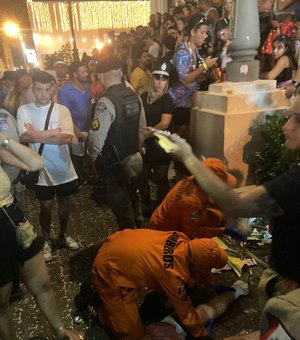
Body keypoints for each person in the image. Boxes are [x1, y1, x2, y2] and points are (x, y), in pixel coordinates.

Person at [153, 93, 300, 339]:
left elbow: (226, 206)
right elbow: (198, 230)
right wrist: (223, 231)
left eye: (295, 119)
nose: (286, 127)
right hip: (166, 239)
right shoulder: (189, 200)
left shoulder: (294, 183)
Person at [92, 228, 249, 340]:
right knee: (131, 334)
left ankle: (239, 290)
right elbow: (186, 312)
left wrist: (207, 282)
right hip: (109, 270)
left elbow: (198, 266)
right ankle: (102, 308)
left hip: (119, 245)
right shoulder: (171, 273)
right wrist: (201, 334)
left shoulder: (182, 239)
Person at [0, 132, 82, 340]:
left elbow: (36, 162)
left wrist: (4, 140)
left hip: (13, 218)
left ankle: (61, 331)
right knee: (2, 303)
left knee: (42, 283)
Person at [17, 71, 79, 262]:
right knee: (45, 207)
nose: (43, 94)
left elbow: (67, 138)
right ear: (33, 90)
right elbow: (24, 136)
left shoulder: (61, 110)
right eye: (38, 90)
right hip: (41, 169)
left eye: (46, 89)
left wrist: (36, 133)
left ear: (52, 88)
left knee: (64, 204)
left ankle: (62, 235)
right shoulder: (24, 109)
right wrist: (54, 131)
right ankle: (45, 240)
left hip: (63, 168)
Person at [88, 57, 146, 230]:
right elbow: (142, 127)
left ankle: (130, 240)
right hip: (135, 157)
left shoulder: (106, 102)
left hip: (115, 164)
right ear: (121, 73)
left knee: (121, 206)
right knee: (134, 195)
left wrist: (91, 158)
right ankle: (139, 224)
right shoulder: (134, 95)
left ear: (101, 76)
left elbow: (96, 139)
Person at [149, 158, 246, 239]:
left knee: (218, 216)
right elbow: (193, 233)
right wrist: (224, 231)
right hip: (164, 233)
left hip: (167, 219)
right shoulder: (191, 203)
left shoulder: (193, 180)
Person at [168, 13, 218, 139]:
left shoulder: (195, 51)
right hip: (178, 103)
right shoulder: (183, 53)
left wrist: (209, 75)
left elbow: (195, 75)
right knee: (179, 138)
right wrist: (205, 66)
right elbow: (185, 79)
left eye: (206, 33)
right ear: (192, 32)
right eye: (202, 32)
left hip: (188, 101)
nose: (205, 36)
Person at [139, 63, 174, 211]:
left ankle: (163, 209)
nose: (160, 82)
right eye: (157, 79)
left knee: (161, 178)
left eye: (164, 79)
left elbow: (164, 123)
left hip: (160, 144)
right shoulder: (143, 96)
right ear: (152, 79)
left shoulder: (167, 100)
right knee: (141, 176)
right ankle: (146, 205)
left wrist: (144, 135)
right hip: (145, 144)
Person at [58, 61, 92, 186]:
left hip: (89, 127)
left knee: (87, 153)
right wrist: (76, 131)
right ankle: (77, 178)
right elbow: (65, 114)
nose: (86, 74)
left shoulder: (87, 86)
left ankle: (85, 173)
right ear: (74, 74)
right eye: (82, 72)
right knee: (77, 156)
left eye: (86, 71)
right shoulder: (65, 91)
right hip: (77, 129)